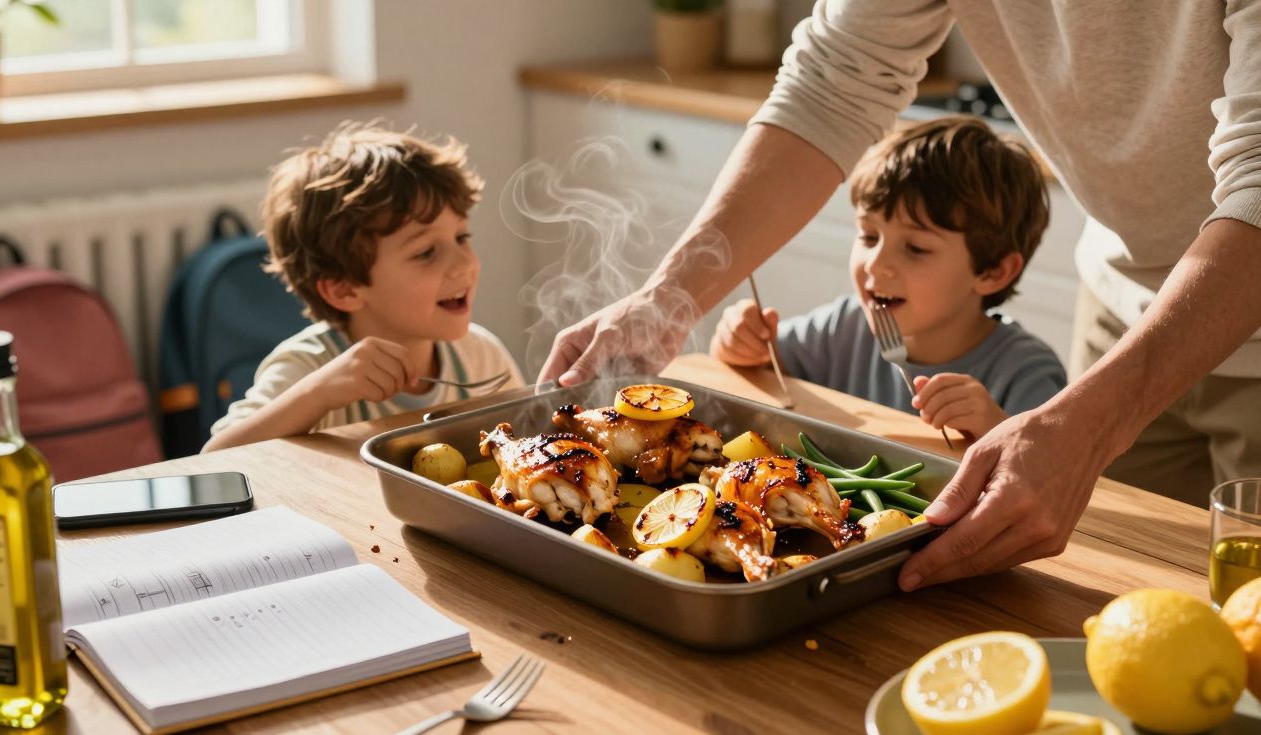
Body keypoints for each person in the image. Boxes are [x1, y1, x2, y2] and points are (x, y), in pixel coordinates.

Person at [538, 2, 1261, 591]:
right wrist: (667, 297)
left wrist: (1091, 420)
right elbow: (832, 82)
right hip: (1125, 292)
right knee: (1131, 587)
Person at [710, 117, 1065, 441]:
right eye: (868, 236)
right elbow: (758, 373)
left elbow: (1057, 479)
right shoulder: (844, 326)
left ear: (992, 272)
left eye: (915, 248)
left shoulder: (1027, 372)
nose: (876, 264)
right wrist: (740, 346)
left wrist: (995, 428)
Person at [205, 124, 524, 452]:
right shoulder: (310, 366)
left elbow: (527, 441)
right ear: (344, 289)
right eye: (425, 252)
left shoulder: (483, 357)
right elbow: (214, 458)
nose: (464, 264)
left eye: (462, 237)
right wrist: (318, 394)